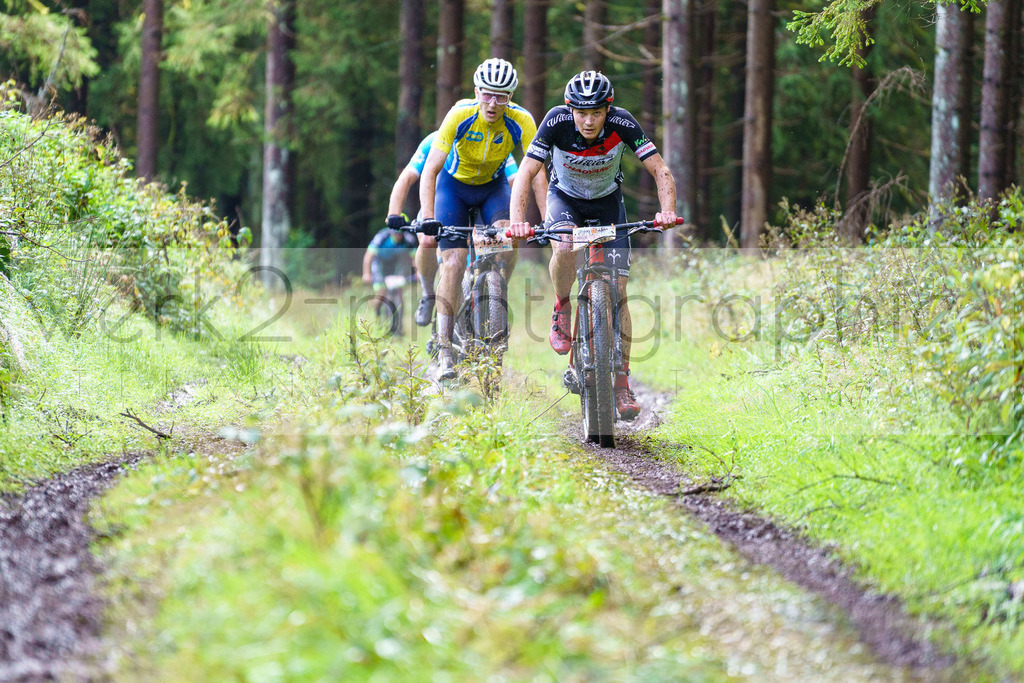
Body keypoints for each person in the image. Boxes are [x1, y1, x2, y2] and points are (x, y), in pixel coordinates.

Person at [508, 70, 678, 420]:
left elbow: (660, 170)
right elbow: (526, 172)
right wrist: (517, 221)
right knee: (565, 246)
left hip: (607, 204)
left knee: (619, 291)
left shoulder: (623, 123)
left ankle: (621, 384)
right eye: (581, 113)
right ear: (570, 109)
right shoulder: (555, 121)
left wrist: (667, 212)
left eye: (596, 113)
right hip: (564, 200)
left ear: (608, 110)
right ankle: (562, 305)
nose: (588, 120)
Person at [417, 58, 548, 380]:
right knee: (454, 261)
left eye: (501, 96)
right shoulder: (460, 114)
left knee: (508, 238)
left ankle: (497, 286)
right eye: (487, 94)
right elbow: (430, 170)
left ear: (511, 97)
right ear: (476, 91)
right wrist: (429, 217)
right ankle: (445, 347)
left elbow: (537, 175)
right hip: (454, 188)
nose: (492, 103)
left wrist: (548, 221)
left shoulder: (521, 120)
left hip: (493, 188)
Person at [384, 130, 520, 321]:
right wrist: (393, 213)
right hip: (437, 203)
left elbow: (516, 181)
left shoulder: (492, 141)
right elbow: (406, 178)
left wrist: (516, 219)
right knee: (428, 240)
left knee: (503, 238)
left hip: (481, 202)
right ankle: (428, 294)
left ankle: (496, 289)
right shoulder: (433, 141)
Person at [361, 223, 418, 316]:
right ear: (391, 233)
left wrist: (418, 273)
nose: (398, 237)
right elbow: (369, 256)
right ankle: (376, 314)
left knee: (399, 292)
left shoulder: (408, 239)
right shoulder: (382, 237)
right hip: (379, 262)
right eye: (396, 235)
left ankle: (399, 326)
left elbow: (415, 258)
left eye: (400, 234)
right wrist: (366, 274)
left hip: (395, 263)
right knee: (381, 292)